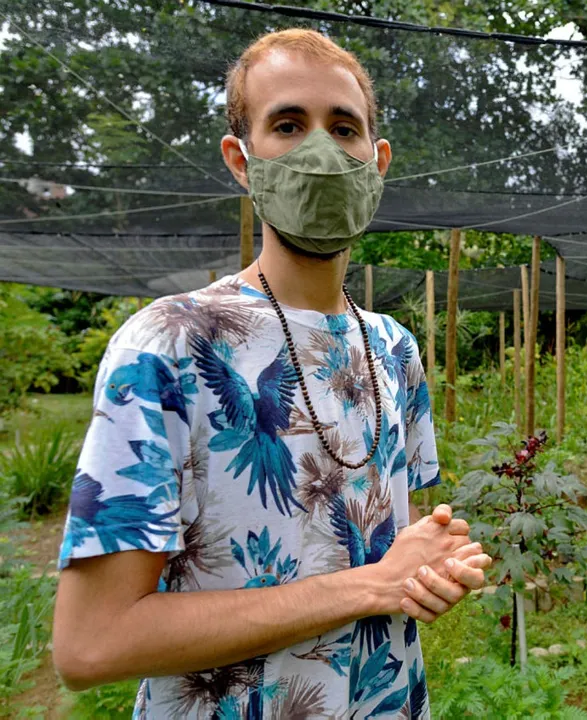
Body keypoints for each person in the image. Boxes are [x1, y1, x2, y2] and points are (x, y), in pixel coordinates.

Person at [51, 28, 490, 719]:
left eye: (343, 128)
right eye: (288, 124)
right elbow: (91, 644)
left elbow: (401, 544)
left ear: (376, 161)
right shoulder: (169, 345)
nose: (321, 148)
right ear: (241, 157)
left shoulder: (396, 350)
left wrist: (429, 569)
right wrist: (373, 585)